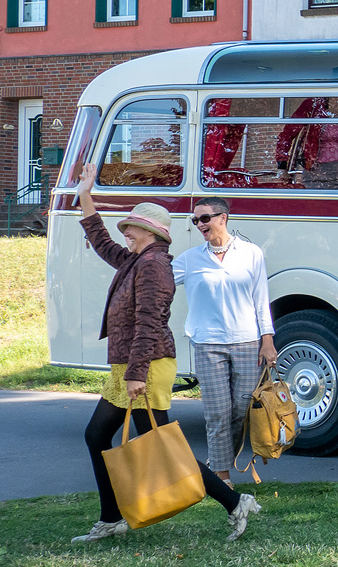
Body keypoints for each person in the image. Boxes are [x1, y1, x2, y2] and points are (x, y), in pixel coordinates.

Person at [71, 164, 260, 543]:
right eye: (124, 229)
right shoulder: (135, 259)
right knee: (96, 436)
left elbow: (149, 323)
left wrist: (137, 373)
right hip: (130, 366)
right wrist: (85, 193)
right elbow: (101, 240)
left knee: (163, 447)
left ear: (149, 232)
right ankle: (111, 518)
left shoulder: (154, 265)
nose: (124, 234)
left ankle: (235, 502)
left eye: (130, 229)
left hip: (147, 366)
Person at [171, 196, 278, 486]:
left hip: (247, 342)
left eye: (204, 218)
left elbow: (261, 299)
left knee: (241, 411)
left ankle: (218, 461)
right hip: (207, 344)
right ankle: (221, 476)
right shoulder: (190, 259)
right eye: (195, 220)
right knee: (217, 412)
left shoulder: (251, 253)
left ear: (223, 218)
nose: (199, 224)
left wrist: (267, 340)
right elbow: (159, 279)